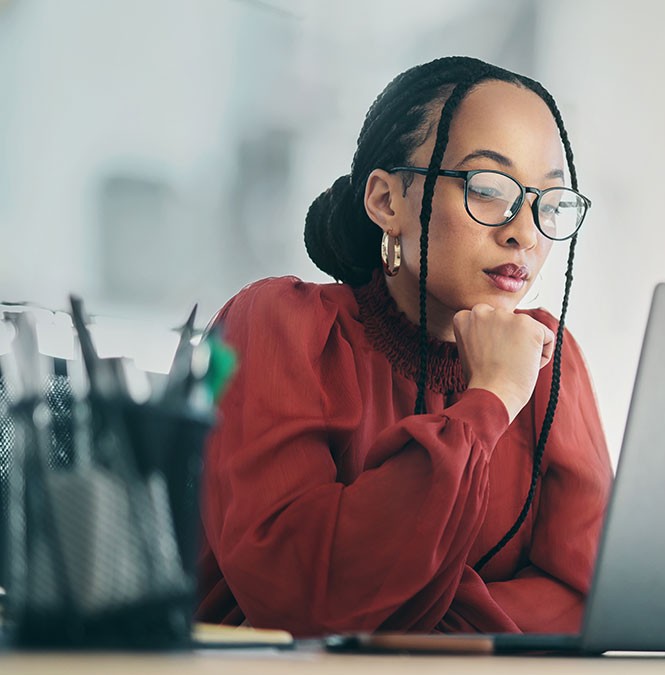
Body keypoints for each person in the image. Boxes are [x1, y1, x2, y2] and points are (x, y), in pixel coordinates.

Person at [194, 56, 612, 638]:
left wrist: (407, 615)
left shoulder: (549, 358)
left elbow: (588, 599)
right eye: (488, 189)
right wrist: (490, 397)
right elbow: (298, 596)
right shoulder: (277, 324)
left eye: (549, 201)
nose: (524, 232)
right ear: (388, 202)